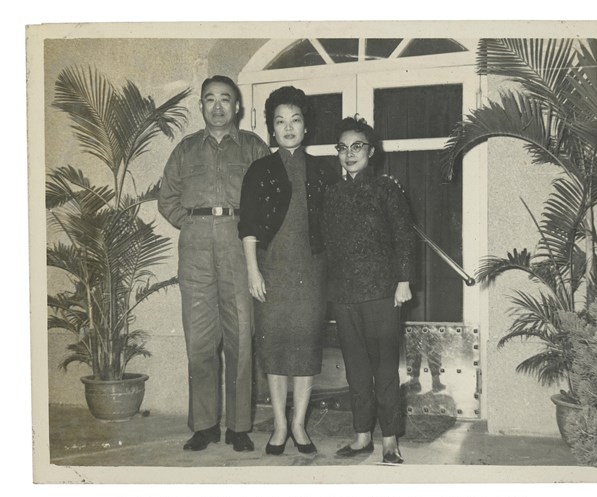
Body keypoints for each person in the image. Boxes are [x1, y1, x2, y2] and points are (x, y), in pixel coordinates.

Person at [158, 75, 270, 452]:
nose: (218, 106)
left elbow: (270, 197)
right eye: (210, 99)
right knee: (199, 340)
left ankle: (239, 427)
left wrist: (249, 230)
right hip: (196, 250)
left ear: (237, 106)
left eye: (225, 99)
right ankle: (204, 425)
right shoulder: (186, 149)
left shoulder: (253, 147)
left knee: (241, 337)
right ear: (202, 106)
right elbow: (167, 199)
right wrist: (192, 223)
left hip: (239, 244)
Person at [238, 86, 338, 455]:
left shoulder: (324, 171)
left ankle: (299, 425)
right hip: (272, 272)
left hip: (311, 273)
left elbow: (335, 226)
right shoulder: (259, 170)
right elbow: (248, 226)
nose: (288, 127)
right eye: (280, 122)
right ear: (272, 129)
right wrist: (253, 271)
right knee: (276, 349)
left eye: (295, 120)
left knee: (306, 349)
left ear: (305, 126)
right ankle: (280, 425)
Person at [322, 116, 416, 464]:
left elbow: (404, 236)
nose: (349, 154)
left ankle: (390, 441)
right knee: (356, 370)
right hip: (344, 295)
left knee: (385, 369)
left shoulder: (387, 189)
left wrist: (404, 281)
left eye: (357, 147)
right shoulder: (331, 194)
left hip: (381, 292)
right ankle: (362, 437)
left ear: (371, 152)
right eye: (343, 148)